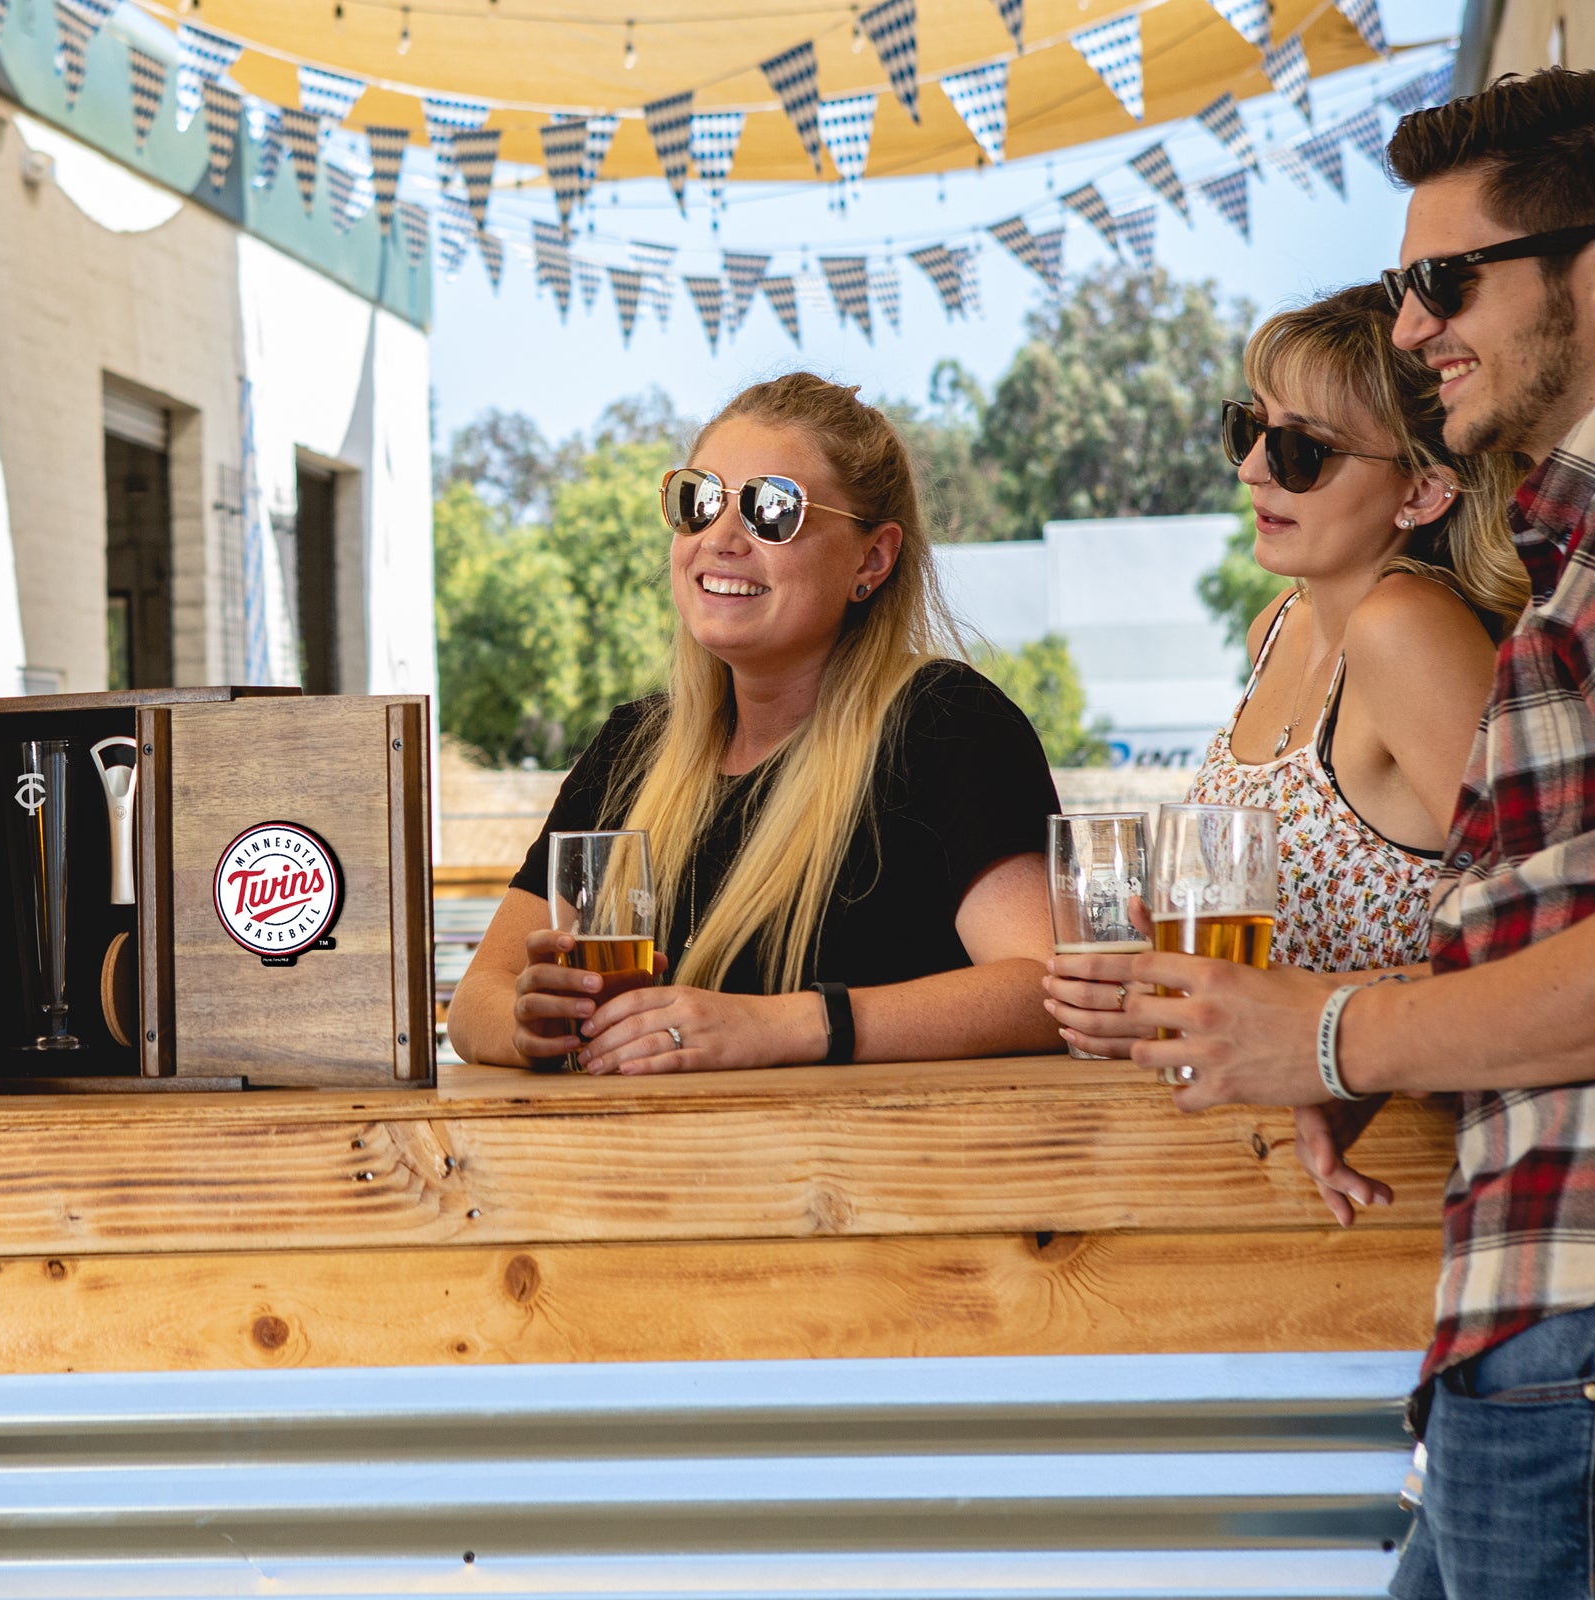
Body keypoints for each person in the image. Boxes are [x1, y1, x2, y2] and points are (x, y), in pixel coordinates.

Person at [1109, 70, 1595, 1600]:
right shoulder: (1562, 559)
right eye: (1249, 431)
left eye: (1446, 282)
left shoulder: (1426, 619)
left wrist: (1333, 1043)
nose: (1409, 326)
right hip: (1516, 1299)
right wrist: (1359, 1059)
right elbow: (1511, 914)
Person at [446, 373, 1062, 1073]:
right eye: (698, 501)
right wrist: (535, 1025)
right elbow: (475, 1005)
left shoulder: (945, 726)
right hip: (641, 1176)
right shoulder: (632, 746)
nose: (721, 538)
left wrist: (783, 1025)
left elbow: (1045, 989)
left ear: (873, 557)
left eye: (774, 510)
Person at [1048, 283, 1526, 1057]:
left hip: (1401, 1135)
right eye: (1251, 428)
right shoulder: (1275, 627)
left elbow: (1543, 943)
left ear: (1424, 488)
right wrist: (1163, 983)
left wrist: (1299, 1008)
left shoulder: (1403, 629)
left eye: (1305, 450)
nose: (1255, 470)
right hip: (1274, 1132)